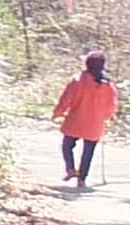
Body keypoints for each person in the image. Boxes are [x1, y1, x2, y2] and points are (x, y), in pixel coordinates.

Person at [51, 50, 119, 189]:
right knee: (89, 151)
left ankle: (70, 169)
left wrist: (58, 112)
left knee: (67, 145)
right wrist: (107, 117)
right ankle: (82, 179)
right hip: (95, 123)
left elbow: (66, 99)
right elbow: (112, 104)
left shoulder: (78, 80)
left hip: (76, 119)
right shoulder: (108, 84)